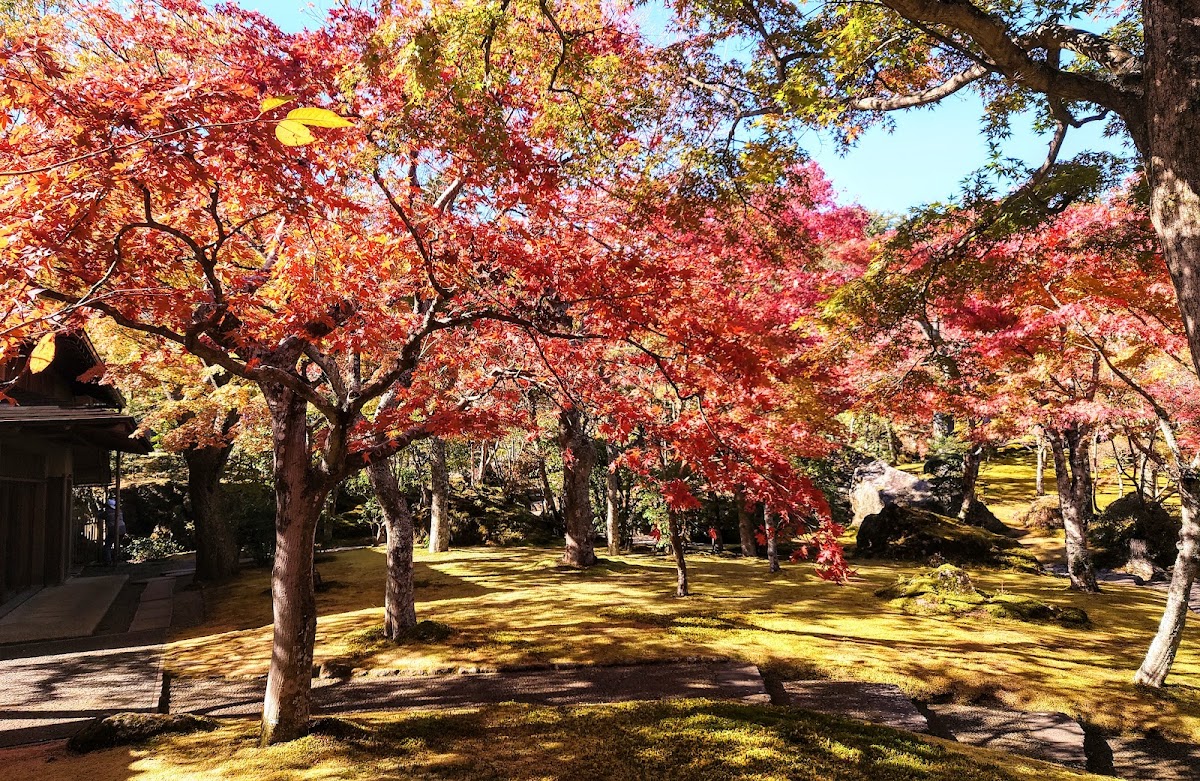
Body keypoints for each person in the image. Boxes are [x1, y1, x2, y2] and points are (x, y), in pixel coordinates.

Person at [103, 496, 125, 565]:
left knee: (107, 546)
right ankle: (119, 558)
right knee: (117, 544)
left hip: (113, 529)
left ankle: (108, 561)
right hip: (122, 529)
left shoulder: (107, 512)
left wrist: (101, 510)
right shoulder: (119, 510)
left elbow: (99, 515)